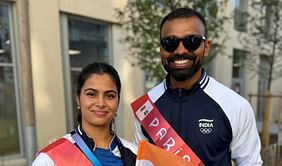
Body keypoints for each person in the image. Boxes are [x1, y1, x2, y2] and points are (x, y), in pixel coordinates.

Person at [131, 7, 263, 166]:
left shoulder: (235, 106)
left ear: (206, 47)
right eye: (170, 43)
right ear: (161, 49)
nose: (180, 50)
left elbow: (250, 163)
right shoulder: (147, 106)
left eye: (191, 41)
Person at [32, 62, 137, 166]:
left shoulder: (137, 156)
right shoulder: (50, 159)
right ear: (78, 99)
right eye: (91, 94)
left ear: (118, 101)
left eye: (109, 96)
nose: (101, 103)